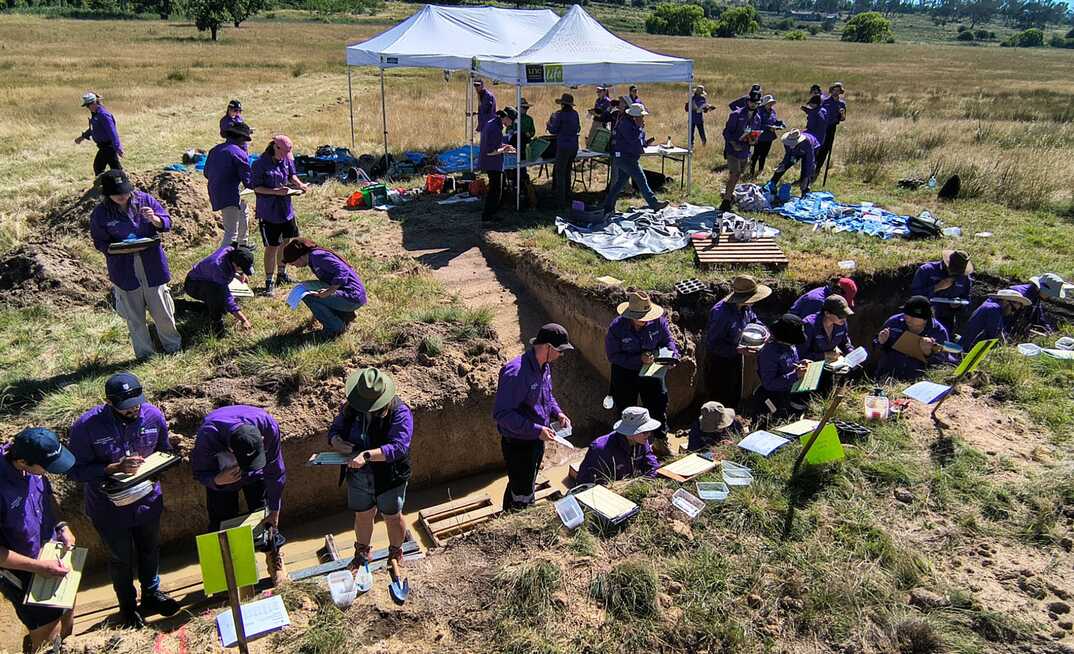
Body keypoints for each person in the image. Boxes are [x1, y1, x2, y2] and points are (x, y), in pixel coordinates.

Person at [68, 373, 180, 628]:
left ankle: (152, 595)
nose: (134, 410)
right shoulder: (86, 427)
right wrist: (112, 467)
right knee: (121, 558)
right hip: (109, 510)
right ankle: (127, 607)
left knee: (150, 550)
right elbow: (75, 471)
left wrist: (165, 461)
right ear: (108, 402)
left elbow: (164, 449)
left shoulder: (153, 415)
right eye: (126, 407)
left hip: (147, 502)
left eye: (137, 403)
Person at [90, 170, 182, 360]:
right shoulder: (100, 213)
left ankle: (173, 347)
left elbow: (167, 222)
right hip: (123, 267)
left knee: (162, 309)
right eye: (116, 194)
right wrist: (114, 248)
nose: (122, 196)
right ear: (107, 194)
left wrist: (154, 219)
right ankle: (145, 355)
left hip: (152, 263)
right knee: (135, 316)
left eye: (124, 191)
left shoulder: (145, 200)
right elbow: (99, 241)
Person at [190, 406, 287, 585]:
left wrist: (275, 508)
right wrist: (218, 480)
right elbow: (199, 472)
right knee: (222, 524)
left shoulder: (267, 426)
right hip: (223, 480)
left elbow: (276, 472)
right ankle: (230, 577)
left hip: (256, 477)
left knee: (265, 516)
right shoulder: (208, 435)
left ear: (262, 439)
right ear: (231, 450)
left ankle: (275, 561)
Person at [0, 428, 77, 653]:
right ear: (22, 461)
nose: (49, 472)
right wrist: (38, 566)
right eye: (46, 467)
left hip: (51, 556)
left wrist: (61, 526)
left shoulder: (35, 469)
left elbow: (46, 500)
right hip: (20, 572)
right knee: (48, 638)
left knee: (67, 617)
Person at [327, 368, 412, 569]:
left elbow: (399, 447)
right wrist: (336, 441)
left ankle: (395, 552)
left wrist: (367, 455)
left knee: (392, 516)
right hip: (358, 475)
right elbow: (335, 429)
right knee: (363, 515)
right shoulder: (350, 408)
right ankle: (362, 553)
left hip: (388, 475)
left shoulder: (400, 412)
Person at [493, 324, 573, 512]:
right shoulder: (516, 373)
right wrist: (536, 430)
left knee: (521, 481)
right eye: (560, 350)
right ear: (547, 347)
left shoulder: (543, 367)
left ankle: (510, 509)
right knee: (522, 489)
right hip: (519, 444)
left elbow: (546, 396)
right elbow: (502, 415)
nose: (561, 355)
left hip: (535, 441)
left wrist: (558, 413)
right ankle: (520, 517)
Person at [605, 290, 680, 456]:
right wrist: (639, 359)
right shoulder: (617, 327)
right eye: (640, 318)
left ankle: (660, 442)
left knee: (658, 405)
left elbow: (668, 342)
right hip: (625, 372)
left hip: (652, 371)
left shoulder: (658, 322)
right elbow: (613, 355)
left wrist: (672, 357)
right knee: (626, 409)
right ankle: (625, 448)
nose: (644, 321)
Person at [251, 135, 309, 296]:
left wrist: (299, 185)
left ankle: (281, 275)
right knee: (272, 247)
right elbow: (256, 188)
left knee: (286, 241)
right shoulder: (259, 164)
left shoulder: (286, 159)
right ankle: (269, 282)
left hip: (286, 210)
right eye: (284, 153)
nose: (286, 157)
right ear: (275, 147)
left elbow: (291, 175)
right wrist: (275, 192)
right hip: (269, 212)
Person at [704, 275, 771, 408]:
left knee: (736, 389)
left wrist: (765, 330)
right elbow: (712, 344)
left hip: (737, 358)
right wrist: (736, 350)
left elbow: (754, 321)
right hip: (720, 362)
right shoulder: (721, 314)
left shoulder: (745, 307)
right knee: (722, 395)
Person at [281, 238, 367, 337]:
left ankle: (335, 328)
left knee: (308, 296)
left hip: (352, 297)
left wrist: (329, 292)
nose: (294, 266)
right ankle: (345, 316)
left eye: (292, 263)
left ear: (299, 257)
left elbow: (342, 271)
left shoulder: (317, 256)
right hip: (348, 294)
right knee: (306, 287)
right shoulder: (314, 257)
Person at [602, 104, 669, 215]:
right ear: (635, 116)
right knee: (641, 180)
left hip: (624, 157)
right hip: (625, 158)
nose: (643, 118)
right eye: (641, 116)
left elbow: (638, 142)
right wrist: (639, 129)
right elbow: (634, 141)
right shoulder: (626, 125)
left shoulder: (630, 124)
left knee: (619, 184)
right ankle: (654, 203)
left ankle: (607, 206)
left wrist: (643, 138)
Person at [873, 296, 952, 381]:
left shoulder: (938, 332)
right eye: (906, 313)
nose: (907, 318)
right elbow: (875, 345)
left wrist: (928, 353)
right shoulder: (894, 322)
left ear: (925, 318)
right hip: (887, 378)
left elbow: (942, 363)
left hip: (918, 382)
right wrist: (881, 342)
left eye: (913, 316)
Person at [575, 407, 660, 485]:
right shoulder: (600, 449)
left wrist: (644, 482)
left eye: (649, 430)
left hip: (629, 484)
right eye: (645, 432)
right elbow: (584, 482)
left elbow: (652, 465)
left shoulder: (642, 441)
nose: (649, 434)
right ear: (629, 433)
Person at [184, 243, 256, 335]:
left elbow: (232, 265)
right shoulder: (219, 269)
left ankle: (206, 307)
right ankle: (216, 323)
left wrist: (240, 274)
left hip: (207, 278)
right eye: (242, 269)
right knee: (217, 294)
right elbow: (228, 299)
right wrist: (243, 320)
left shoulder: (231, 251)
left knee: (220, 304)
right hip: (193, 284)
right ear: (234, 264)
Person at [204, 121, 254, 249]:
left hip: (216, 190)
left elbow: (206, 173)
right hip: (230, 193)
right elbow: (248, 181)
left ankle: (243, 244)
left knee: (243, 210)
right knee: (231, 231)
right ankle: (221, 260)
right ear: (241, 138)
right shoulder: (238, 153)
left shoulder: (214, 150)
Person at [754, 314, 809, 417]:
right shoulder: (769, 353)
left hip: (789, 393)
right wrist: (795, 375)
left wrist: (801, 364)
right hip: (773, 399)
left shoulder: (791, 345)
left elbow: (791, 364)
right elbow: (769, 384)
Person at [911, 250, 973, 334]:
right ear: (947, 263)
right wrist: (937, 287)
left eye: (957, 272)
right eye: (952, 270)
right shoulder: (927, 270)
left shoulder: (965, 278)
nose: (954, 274)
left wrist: (958, 305)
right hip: (922, 318)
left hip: (947, 322)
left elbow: (967, 301)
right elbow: (914, 295)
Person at [721, 94, 762, 212]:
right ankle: (726, 202)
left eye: (756, 102)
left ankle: (729, 194)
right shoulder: (736, 114)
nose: (753, 104)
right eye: (751, 101)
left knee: (738, 174)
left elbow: (755, 134)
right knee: (734, 173)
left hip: (745, 150)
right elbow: (726, 132)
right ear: (747, 101)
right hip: (732, 149)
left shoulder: (757, 117)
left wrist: (754, 140)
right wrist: (734, 144)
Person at [479, 107, 517, 223]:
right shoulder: (495, 128)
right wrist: (504, 150)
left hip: (493, 162)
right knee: (495, 191)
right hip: (492, 163)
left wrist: (505, 146)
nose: (511, 124)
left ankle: (492, 214)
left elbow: (495, 143)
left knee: (499, 188)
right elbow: (490, 151)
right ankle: (487, 217)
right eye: (512, 121)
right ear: (506, 118)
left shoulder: (493, 123)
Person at [961, 289, 1030, 351]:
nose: (1012, 313)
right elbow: (997, 335)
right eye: (1013, 309)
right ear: (1005, 302)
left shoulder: (991, 306)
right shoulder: (993, 309)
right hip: (967, 351)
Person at [74, 91, 123, 176]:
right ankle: (102, 185)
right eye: (87, 106)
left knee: (113, 168)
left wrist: (118, 147)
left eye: (89, 105)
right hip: (103, 147)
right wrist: (82, 137)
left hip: (108, 146)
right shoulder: (95, 115)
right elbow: (93, 129)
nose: (88, 108)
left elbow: (112, 131)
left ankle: (125, 185)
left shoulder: (104, 115)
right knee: (99, 167)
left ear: (95, 103)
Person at [547, 93, 581, 209]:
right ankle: (568, 196)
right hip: (573, 146)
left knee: (560, 173)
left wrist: (549, 124)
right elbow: (578, 128)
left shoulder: (560, 115)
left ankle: (560, 202)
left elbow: (553, 130)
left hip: (563, 147)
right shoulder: (575, 114)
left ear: (562, 104)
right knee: (567, 171)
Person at [800, 295, 854, 362]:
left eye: (846, 315)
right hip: (812, 365)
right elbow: (801, 354)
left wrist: (851, 352)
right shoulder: (809, 326)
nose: (844, 319)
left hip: (832, 363)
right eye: (841, 316)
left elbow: (844, 342)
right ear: (827, 313)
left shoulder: (841, 323)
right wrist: (824, 355)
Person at [814, 83, 847, 181]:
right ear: (831, 91)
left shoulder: (842, 104)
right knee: (818, 147)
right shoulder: (824, 101)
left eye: (838, 90)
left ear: (840, 92)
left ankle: (817, 169)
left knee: (826, 149)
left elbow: (843, 119)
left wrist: (842, 114)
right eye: (834, 90)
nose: (836, 92)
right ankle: (811, 167)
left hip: (832, 128)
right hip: (822, 127)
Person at [790, 276, 857, 319]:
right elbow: (807, 328)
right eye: (843, 299)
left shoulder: (828, 296)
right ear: (837, 290)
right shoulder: (817, 302)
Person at [749, 95, 781, 178]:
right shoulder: (758, 111)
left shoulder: (773, 111)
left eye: (771, 103)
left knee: (764, 155)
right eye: (769, 103)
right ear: (764, 103)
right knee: (756, 154)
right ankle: (751, 172)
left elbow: (774, 121)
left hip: (769, 137)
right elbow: (756, 124)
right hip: (760, 136)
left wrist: (779, 124)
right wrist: (768, 127)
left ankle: (760, 171)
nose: (771, 104)